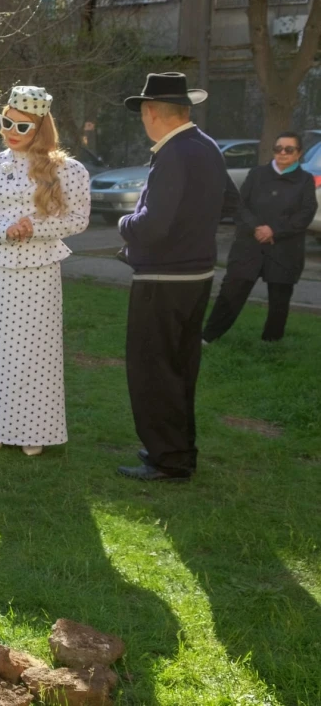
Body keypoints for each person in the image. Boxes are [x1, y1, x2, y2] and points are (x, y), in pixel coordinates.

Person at [0, 87, 91, 456]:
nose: (11, 131)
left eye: (23, 126)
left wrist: (36, 228)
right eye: (6, 122)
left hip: (39, 271)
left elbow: (78, 219)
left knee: (35, 350)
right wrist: (5, 229)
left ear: (40, 128)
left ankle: (33, 429)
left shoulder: (68, 171)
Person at [116, 72, 239, 483]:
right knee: (180, 368)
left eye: (143, 113)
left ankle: (168, 457)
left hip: (164, 280)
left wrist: (124, 223)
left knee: (154, 370)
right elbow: (230, 203)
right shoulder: (206, 145)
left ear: (152, 112)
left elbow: (153, 224)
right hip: (196, 275)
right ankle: (177, 451)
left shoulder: (174, 153)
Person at [202, 132, 318, 344]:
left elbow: (306, 213)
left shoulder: (305, 181)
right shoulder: (257, 174)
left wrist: (274, 230)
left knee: (279, 299)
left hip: (284, 249)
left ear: (299, 153)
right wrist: (256, 228)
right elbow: (240, 205)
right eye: (278, 148)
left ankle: (271, 342)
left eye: (289, 149)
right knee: (232, 291)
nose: (282, 153)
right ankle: (209, 336)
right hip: (249, 245)